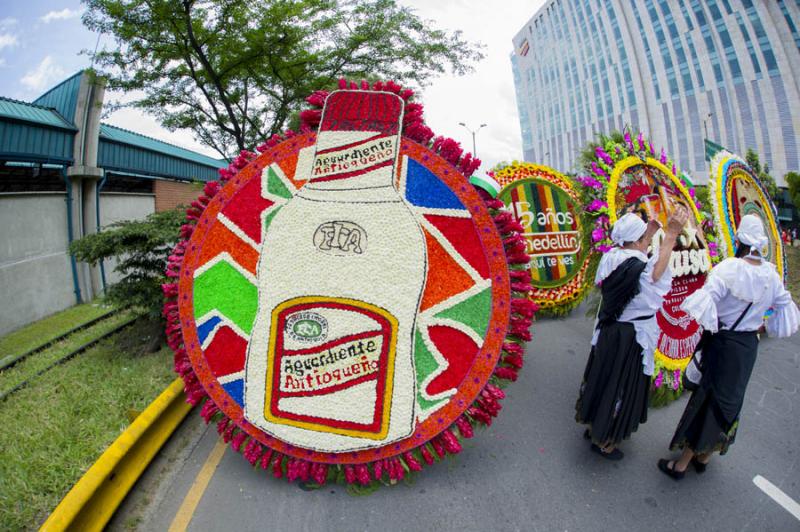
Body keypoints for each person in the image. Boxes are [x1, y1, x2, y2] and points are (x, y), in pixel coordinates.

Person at [658, 214, 800, 479]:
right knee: (731, 402)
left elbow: (704, 302)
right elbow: (786, 311)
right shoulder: (770, 274)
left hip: (723, 343)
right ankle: (705, 456)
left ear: (740, 240)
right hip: (747, 347)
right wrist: (763, 326)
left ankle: (681, 464)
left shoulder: (730, 268)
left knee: (708, 399)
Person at [576, 208, 688, 459]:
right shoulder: (642, 270)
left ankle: (596, 424)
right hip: (630, 338)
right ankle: (606, 441)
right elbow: (655, 272)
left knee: (602, 378)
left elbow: (636, 255)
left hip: (609, 331)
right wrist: (671, 234)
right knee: (620, 387)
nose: (646, 242)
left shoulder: (612, 257)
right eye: (644, 239)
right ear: (637, 241)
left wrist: (647, 232)